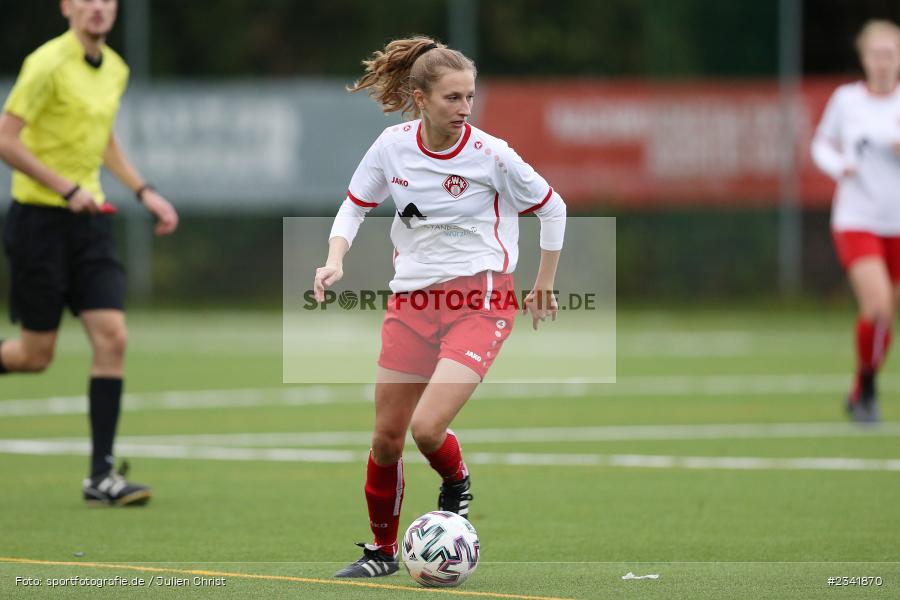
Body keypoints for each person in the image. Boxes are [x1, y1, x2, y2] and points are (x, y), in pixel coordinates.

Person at [314, 36, 566, 578]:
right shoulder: (391, 146)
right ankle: (382, 553)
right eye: (452, 98)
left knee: (427, 430)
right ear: (420, 98)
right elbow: (353, 207)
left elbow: (553, 206)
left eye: (470, 96)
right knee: (385, 439)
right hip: (410, 305)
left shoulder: (492, 153)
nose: (465, 108)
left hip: (481, 302)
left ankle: (456, 482)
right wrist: (335, 258)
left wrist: (543, 281)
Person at [0, 0, 178, 505]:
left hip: (90, 224)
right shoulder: (46, 63)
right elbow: (6, 140)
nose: (98, 7)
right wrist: (63, 188)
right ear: (67, 7)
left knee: (112, 336)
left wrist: (145, 191)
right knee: (35, 356)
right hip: (39, 222)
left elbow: (103, 142)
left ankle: (101, 476)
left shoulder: (115, 68)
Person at [812, 19, 900, 423]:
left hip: (896, 223)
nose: (883, 62)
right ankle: (868, 391)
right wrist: (840, 166)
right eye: (876, 54)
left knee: (885, 319)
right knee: (878, 306)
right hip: (856, 218)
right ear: (864, 58)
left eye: (890, 53)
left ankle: (861, 385)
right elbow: (821, 144)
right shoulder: (847, 100)